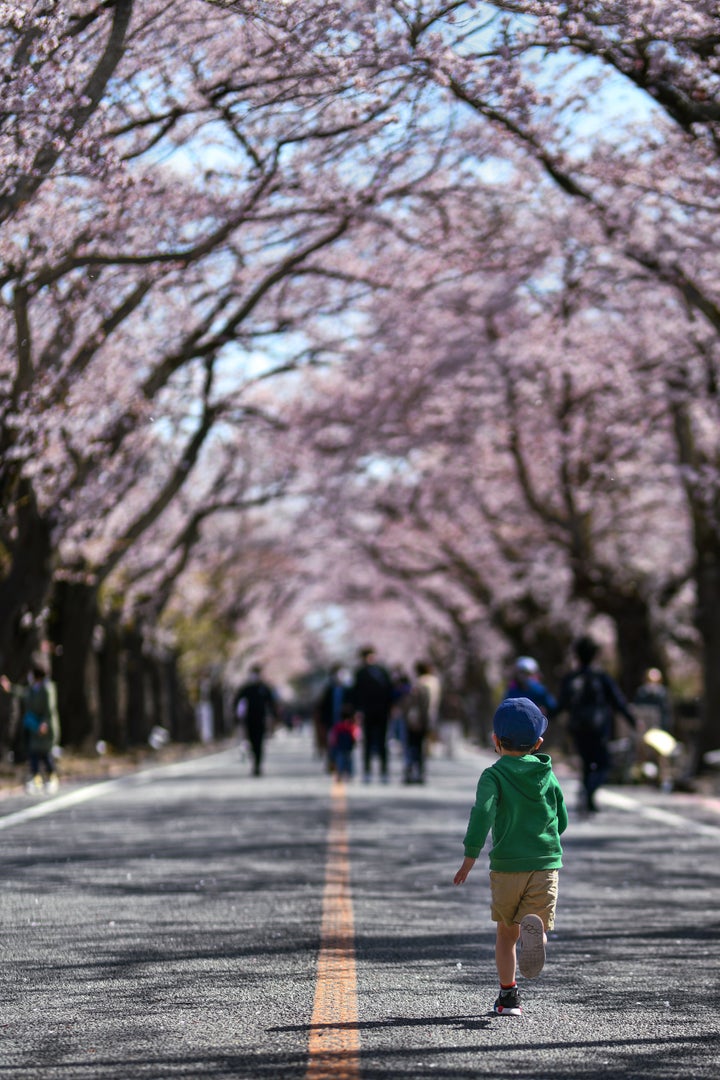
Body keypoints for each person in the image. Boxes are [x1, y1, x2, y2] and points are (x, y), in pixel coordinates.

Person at [454, 697, 567, 1017]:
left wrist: (470, 856)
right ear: (539, 743)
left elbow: (483, 813)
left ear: (495, 741)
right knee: (536, 922)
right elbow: (562, 817)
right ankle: (539, 938)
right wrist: (548, 840)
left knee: (507, 932)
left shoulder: (494, 775)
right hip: (545, 863)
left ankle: (508, 997)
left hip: (507, 866)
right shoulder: (547, 773)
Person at [552, 635, 637, 814]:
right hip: (598, 728)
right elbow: (618, 701)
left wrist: (544, 719)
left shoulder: (571, 678)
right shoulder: (601, 677)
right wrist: (632, 720)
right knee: (603, 763)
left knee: (586, 761)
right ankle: (590, 791)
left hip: (576, 727)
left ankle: (587, 795)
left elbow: (561, 705)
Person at [0, 664, 61, 794]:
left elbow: (50, 709)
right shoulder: (34, 689)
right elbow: (23, 693)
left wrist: (45, 724)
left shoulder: (47, 689)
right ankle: (36, 779)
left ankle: (51, 778)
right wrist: (10, 687)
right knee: (33, 753)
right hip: (35, 726)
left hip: (46, 727)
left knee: (45, 754)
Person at [351, 646, 394, 783]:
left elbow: (390, 691)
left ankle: (384, 771)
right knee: (367, 742)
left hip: (382, 711)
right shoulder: (360, 673)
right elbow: (356, 694)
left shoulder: (383, 671)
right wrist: (357, 711)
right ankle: (367, 771)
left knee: (382, 742)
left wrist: (391, 707)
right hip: (367, 712)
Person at [233, 663, 278, 777]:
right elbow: (237, 700)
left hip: (261, 719)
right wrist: (237, 715)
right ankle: (255, 763)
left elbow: (272, 704)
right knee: (251, 742)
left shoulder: (264, 688)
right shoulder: (247, 688)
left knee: (260, 742)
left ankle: (258, 765)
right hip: (249, 719)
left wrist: (274, 717)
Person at [402, 661, 433, 784]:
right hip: (424, 720)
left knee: (412, 747)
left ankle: (410, 771)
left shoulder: (417, 685)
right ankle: (419, 773)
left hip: (413, 721)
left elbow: (408, 705)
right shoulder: (432, 683)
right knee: (420, 748)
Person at [314, 663, 347, 772]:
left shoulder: (347, 690)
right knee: (331, 744)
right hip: (331, 722)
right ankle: (332, 763)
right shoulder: (328, 690)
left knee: (344, 744)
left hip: (344, 723)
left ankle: (344, 765)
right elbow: (321, 707)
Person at [329, 703, 360, 782]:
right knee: (349, 760)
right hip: (348, 746)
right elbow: (355, 735)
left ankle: (340, 773)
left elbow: (334, 736)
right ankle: (348, 774)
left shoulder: (338, 726)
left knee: (341, 760)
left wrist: (333, 744)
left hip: (340, 746)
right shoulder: (351, 726)